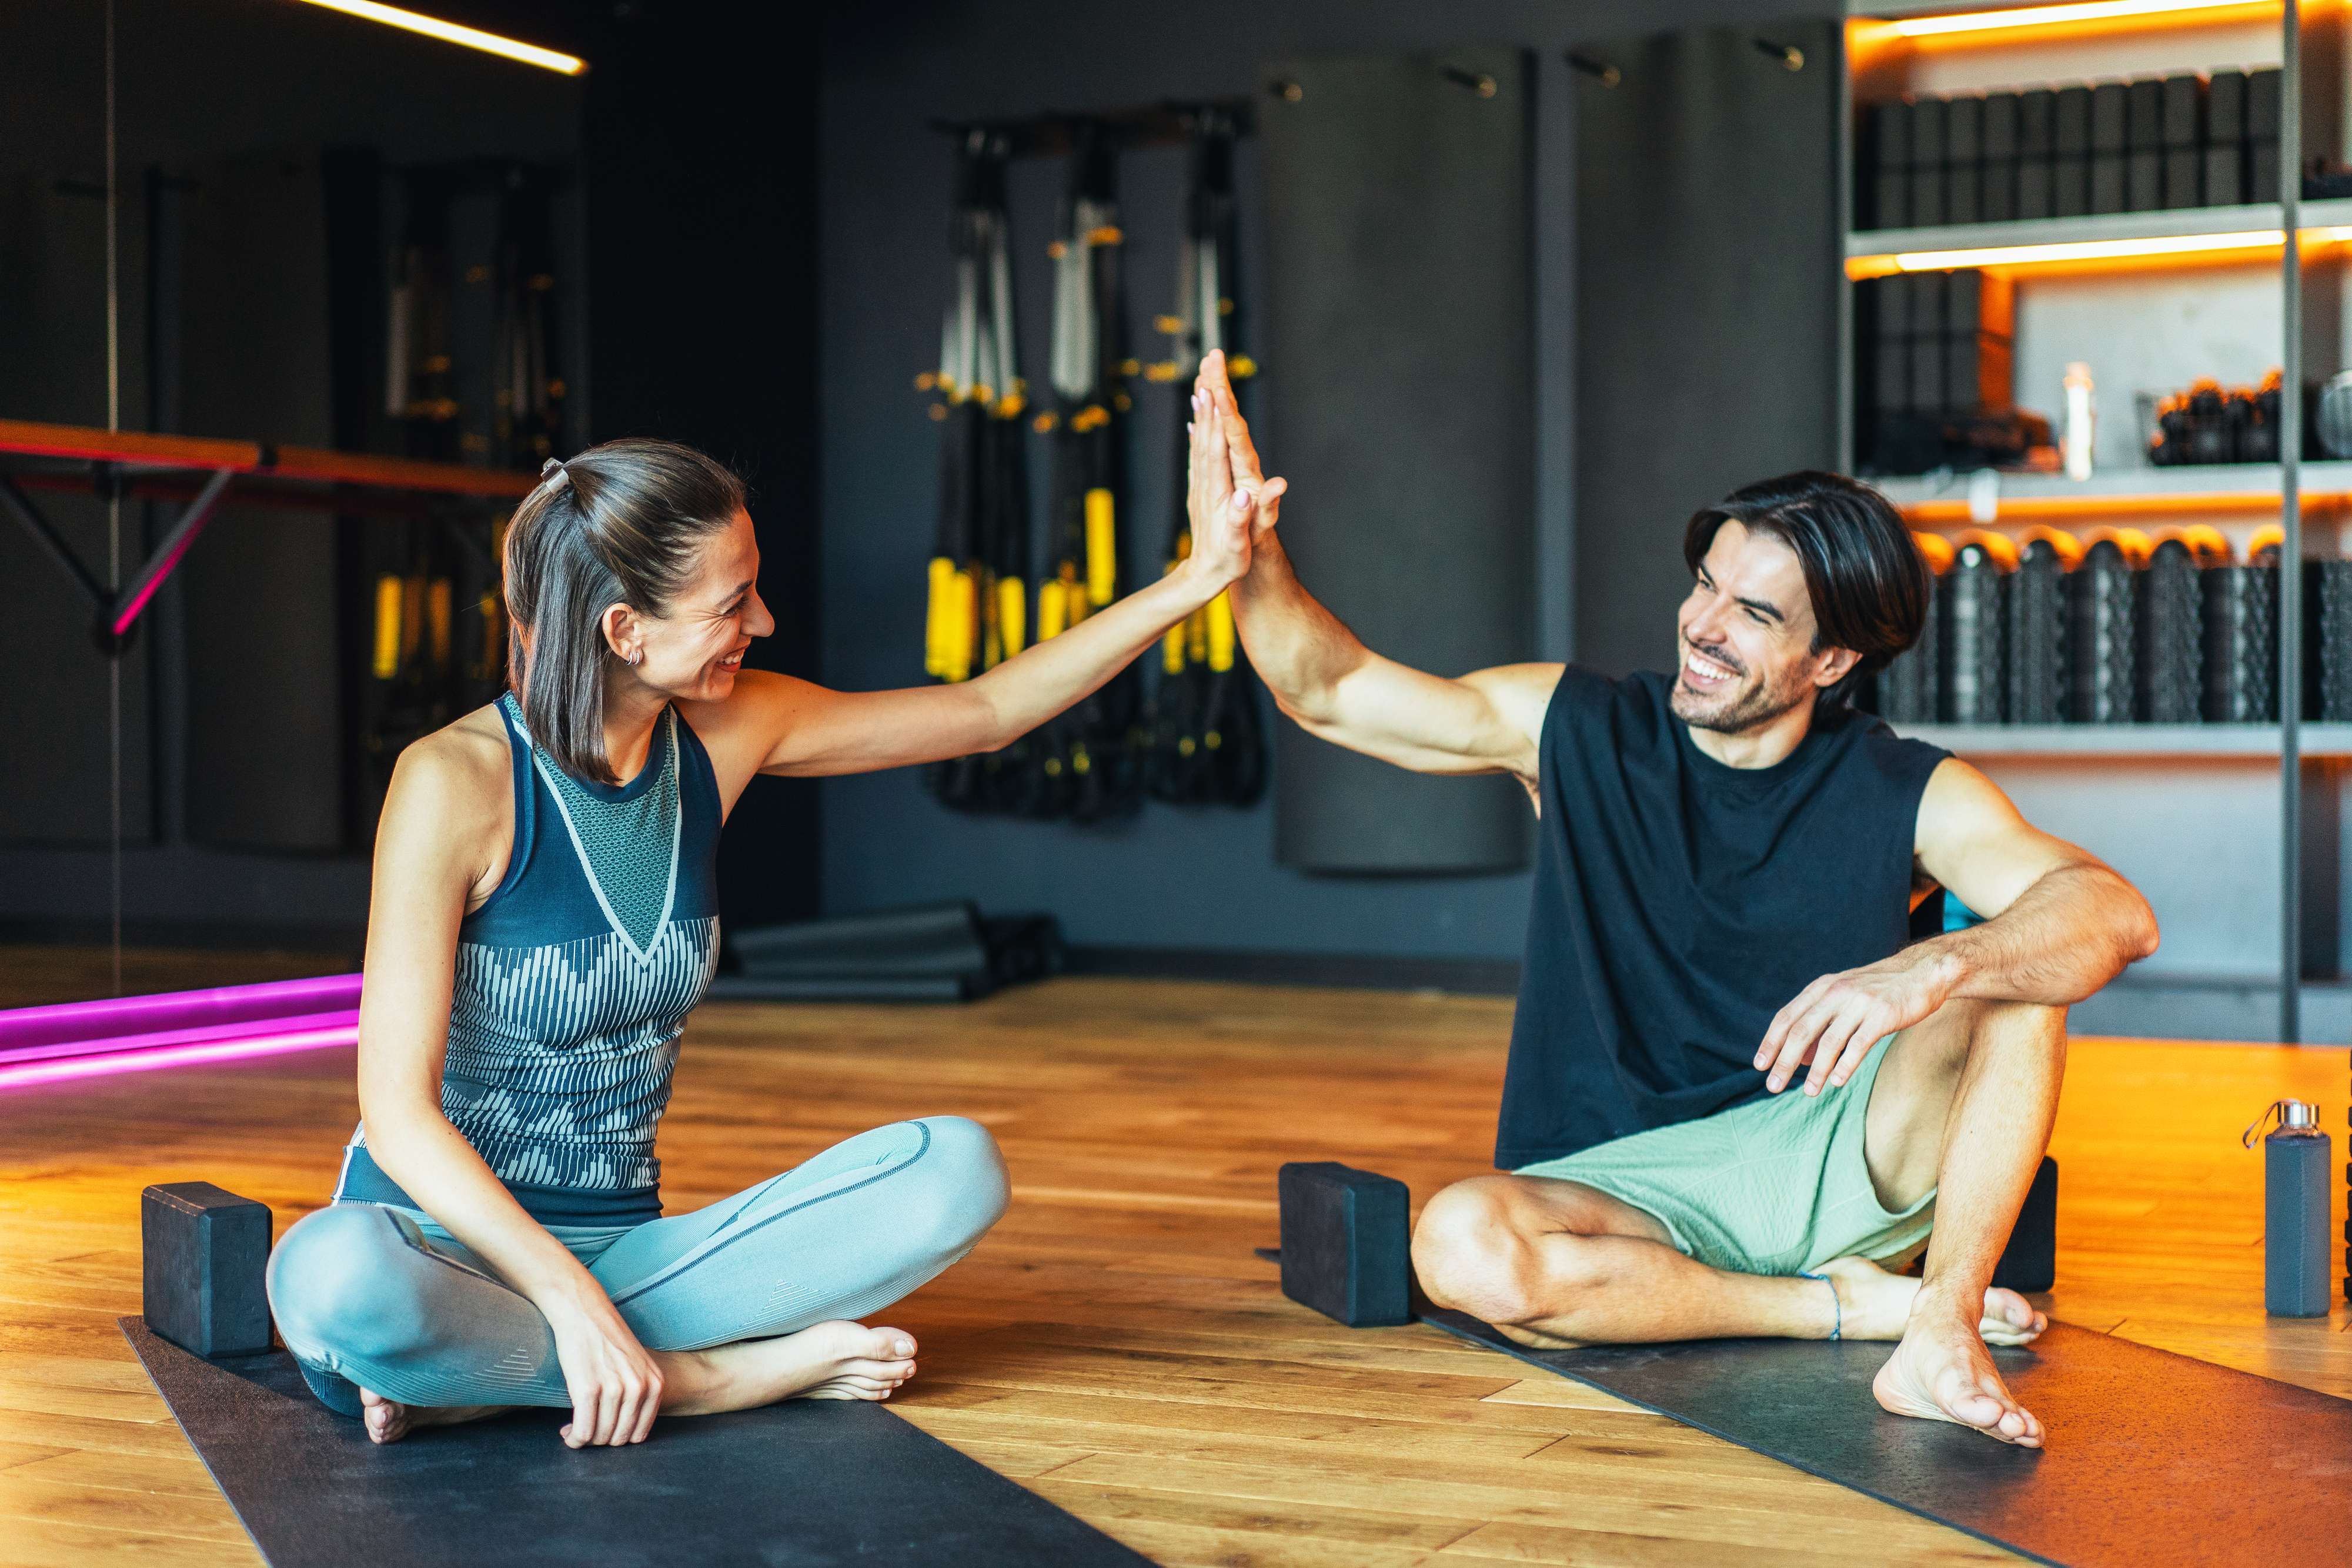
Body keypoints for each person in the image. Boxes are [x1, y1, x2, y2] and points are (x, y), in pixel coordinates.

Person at [1184, 351, 2157, 1448]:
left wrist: (1931, 965)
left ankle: (1940, 1330)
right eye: (1706, 584)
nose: (1702, 625)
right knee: (1458, 1244)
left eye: (1752, 613)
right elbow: (1327, 689)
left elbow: (2113, 911)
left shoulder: (1908, 787)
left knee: (2024, 967)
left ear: (1833, 658)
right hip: (1620, 1189)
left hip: (1829, 1154)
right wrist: (1245, 555)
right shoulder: (1577, 729)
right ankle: (1841, 1311)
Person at [269, 436, 1260, 1447]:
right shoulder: (454, 781)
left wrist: (1200, 577)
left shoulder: (724, 733)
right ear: (626, 631)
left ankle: (502, 1383)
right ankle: (702, 1381)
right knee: (332, 1278)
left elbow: (987, 712)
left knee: (958, 1168)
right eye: (731, 603)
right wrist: (568, 1303)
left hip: (640, 1263)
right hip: (442, 1258)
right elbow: (394, 1114)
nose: (763, 622)